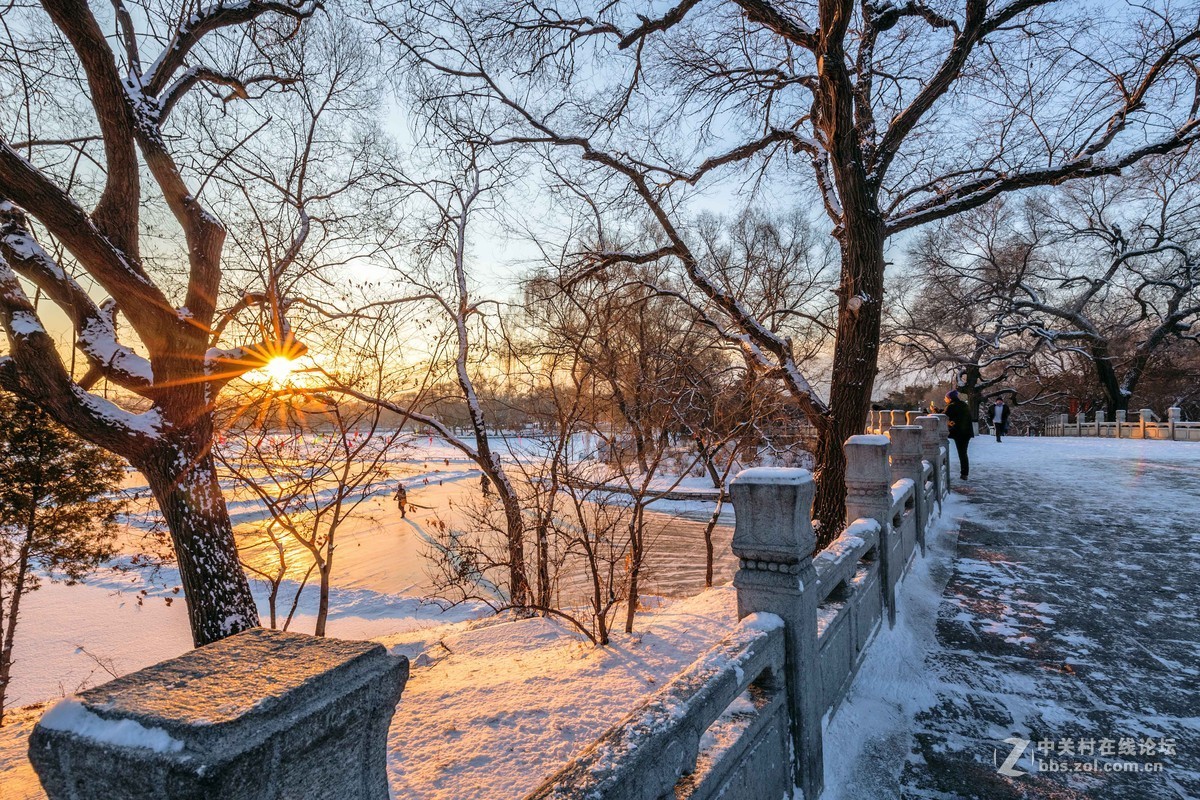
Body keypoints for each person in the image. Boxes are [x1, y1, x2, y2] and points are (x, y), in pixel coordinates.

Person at [943, 390, 974, 480]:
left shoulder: (951, 406)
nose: (945, 399)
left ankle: (943, 466)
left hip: (958, 432)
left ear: (949, 398)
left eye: (945, 398)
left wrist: (934, 411)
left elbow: (943, 416)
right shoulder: (964, 405)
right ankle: (964, 473)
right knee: (963, 453)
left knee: (961, 453)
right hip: (966, 432)